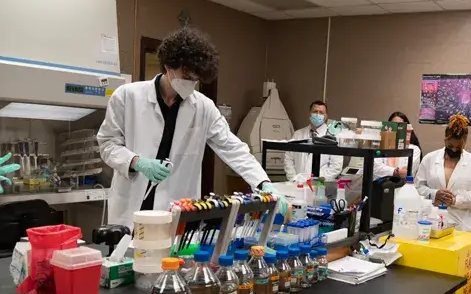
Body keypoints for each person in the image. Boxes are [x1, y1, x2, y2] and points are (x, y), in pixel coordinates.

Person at [98, 28, 287, 227]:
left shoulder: (203, 107)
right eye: (186, 75)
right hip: (132, 206)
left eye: (195, 79)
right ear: (168, 65)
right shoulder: (127, 96)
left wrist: (262, 183)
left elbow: (232, 148)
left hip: (177, 209)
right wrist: (137, 162)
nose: (190, 83)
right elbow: (107, 144)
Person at [414, 114, 471, 232]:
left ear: (465, 142)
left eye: (458, 147)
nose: (453, 150)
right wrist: (434, 194)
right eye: (450, 146)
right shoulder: (429, 159)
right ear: (445, 139)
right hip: (431, 223)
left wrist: (454, 200)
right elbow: (417, 187)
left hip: (462, 226)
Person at [283, 101, 343, 181]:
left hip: (320, 185)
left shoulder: (332, 137)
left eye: (321, 112)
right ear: (309, 114)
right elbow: (288, 158)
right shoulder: (298, 134)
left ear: (325, 117)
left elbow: (336, 166)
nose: (317, 115)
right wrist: (293, 179)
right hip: (297, 183)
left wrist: (319, 181)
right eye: (315, 111)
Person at [373, 112, 422, 179]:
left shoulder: (414, 149)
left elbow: (407, 172)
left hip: (403, 187)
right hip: (379, 185)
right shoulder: (380, 146)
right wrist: (395, 172)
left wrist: (388, 171)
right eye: (393, 125)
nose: (396, 129)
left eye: (400, 126)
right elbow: (375, 168)